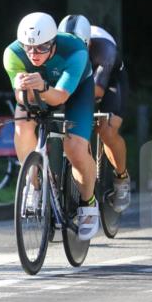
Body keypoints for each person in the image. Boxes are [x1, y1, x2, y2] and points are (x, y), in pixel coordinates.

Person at [4, 11, 99, 240]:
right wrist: (21, 88)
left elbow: (60, 98)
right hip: (40, 91)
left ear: (53, 42)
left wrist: (44, 88)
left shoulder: (75, 51)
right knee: (22, 124)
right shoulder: (12, 53)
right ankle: (33, 184)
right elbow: (20, 99)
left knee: (75, 148)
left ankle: (88, 202)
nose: (34, 55)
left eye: (42, 48)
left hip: (73, 92)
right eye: (29, 47)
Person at [58, 14, 131, 212]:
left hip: (110, 82)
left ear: (88, 43)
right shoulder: (55, 45)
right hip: (78, 79)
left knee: (107, 131)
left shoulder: (104, 50)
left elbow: (97, 92)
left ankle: (121, 178)